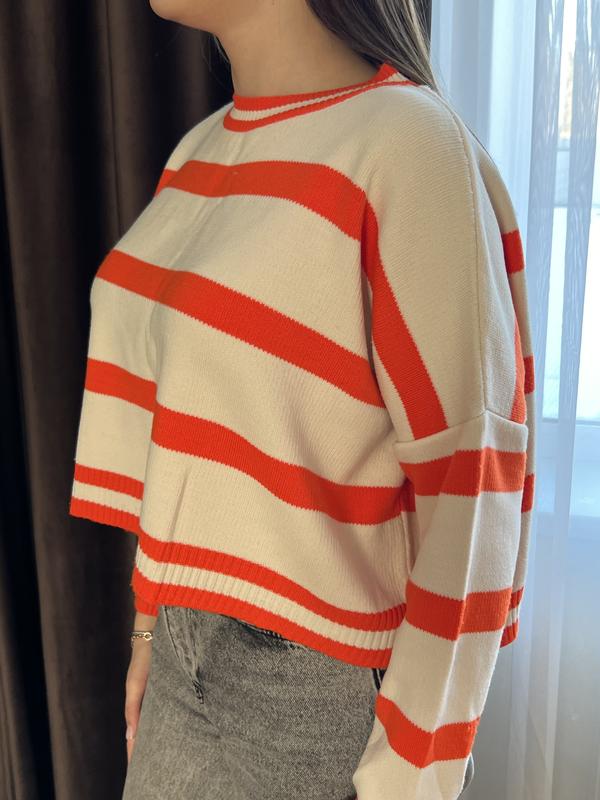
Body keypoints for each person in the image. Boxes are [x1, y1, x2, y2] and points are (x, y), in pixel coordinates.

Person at [68, 1, 537, 798]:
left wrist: (411, 779)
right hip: (184, 644)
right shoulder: (198, 151)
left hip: (313, 682)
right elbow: (182, 433)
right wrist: (150, 622)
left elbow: (472, 485)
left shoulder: (408, 145)